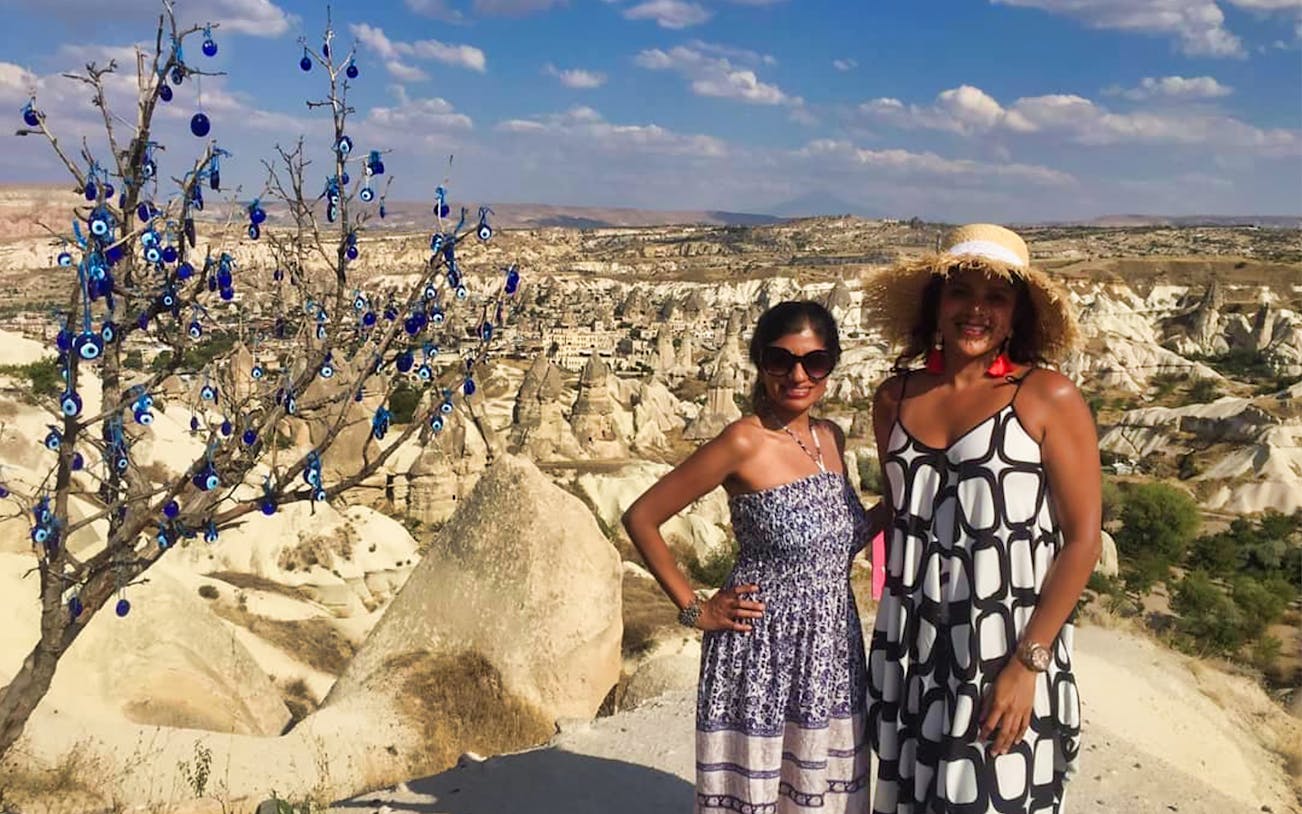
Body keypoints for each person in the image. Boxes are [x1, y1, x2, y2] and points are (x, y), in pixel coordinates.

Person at [861, 223, 1102, 813]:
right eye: (960, 293)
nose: (976, 310)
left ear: (1017, 314)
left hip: (1001, 643)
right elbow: (902, 510)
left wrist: (1028, 663)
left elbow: (1083, 541)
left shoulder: (1048, 398)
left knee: (991, 797)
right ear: (935, 305)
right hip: (911, 646)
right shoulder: (895, 397)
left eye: (996, 297)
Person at [622, 301, 873, 813]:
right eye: (781, 360)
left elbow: (837, 540)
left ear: (831, 366)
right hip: (761, 650)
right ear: (761, 362)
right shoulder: (743, 441)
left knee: (823, 793)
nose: (798, 375)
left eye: (815, 362)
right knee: (757, 795)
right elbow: (642, 517)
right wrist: (697, 608)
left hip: (831, 647)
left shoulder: (831, 438)